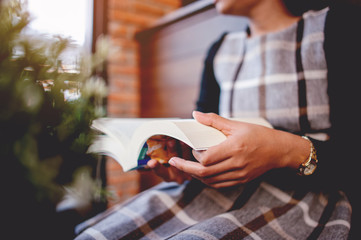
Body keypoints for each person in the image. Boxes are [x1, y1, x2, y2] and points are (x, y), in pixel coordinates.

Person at [75, 0, 361, 239]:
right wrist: (184, 166)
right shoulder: (220, 50)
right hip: (218, 192)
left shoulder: (335, 28)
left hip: (311, 199)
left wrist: (283, 149)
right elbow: (202, 133)